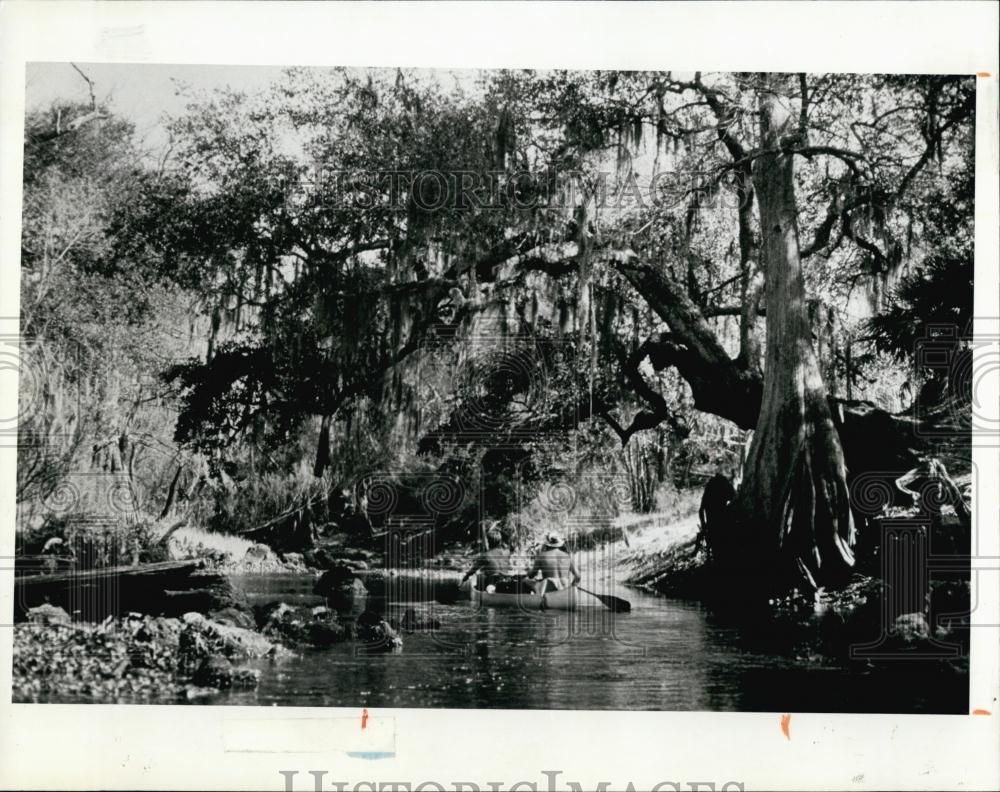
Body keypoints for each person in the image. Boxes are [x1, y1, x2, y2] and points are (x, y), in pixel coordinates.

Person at [696, 472, 736, 561]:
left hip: (712, 526)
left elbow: (701, 510)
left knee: (717, 553)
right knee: (724, 551)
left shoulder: (709, 488)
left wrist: (703, 525)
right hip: (723, 524)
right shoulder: (724, 485)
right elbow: (735, 498)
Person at [460, 525, 512, 590]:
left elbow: (473, 569)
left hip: (492, 584)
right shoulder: (507, 552)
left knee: (480, 576)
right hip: (505, 581)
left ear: (488, 542)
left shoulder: (485, 555)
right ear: (500, 541)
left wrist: (465, 577)